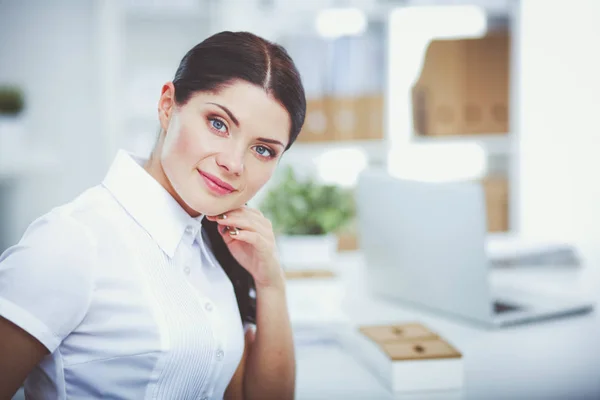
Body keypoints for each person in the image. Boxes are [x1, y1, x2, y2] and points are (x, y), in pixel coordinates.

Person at [0, 31, 306, 400]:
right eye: (218, 123)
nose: (233, 163)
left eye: (262, 150)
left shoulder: (215, 248)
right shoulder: (73, 240)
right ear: (166, 106)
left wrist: (270, 281)